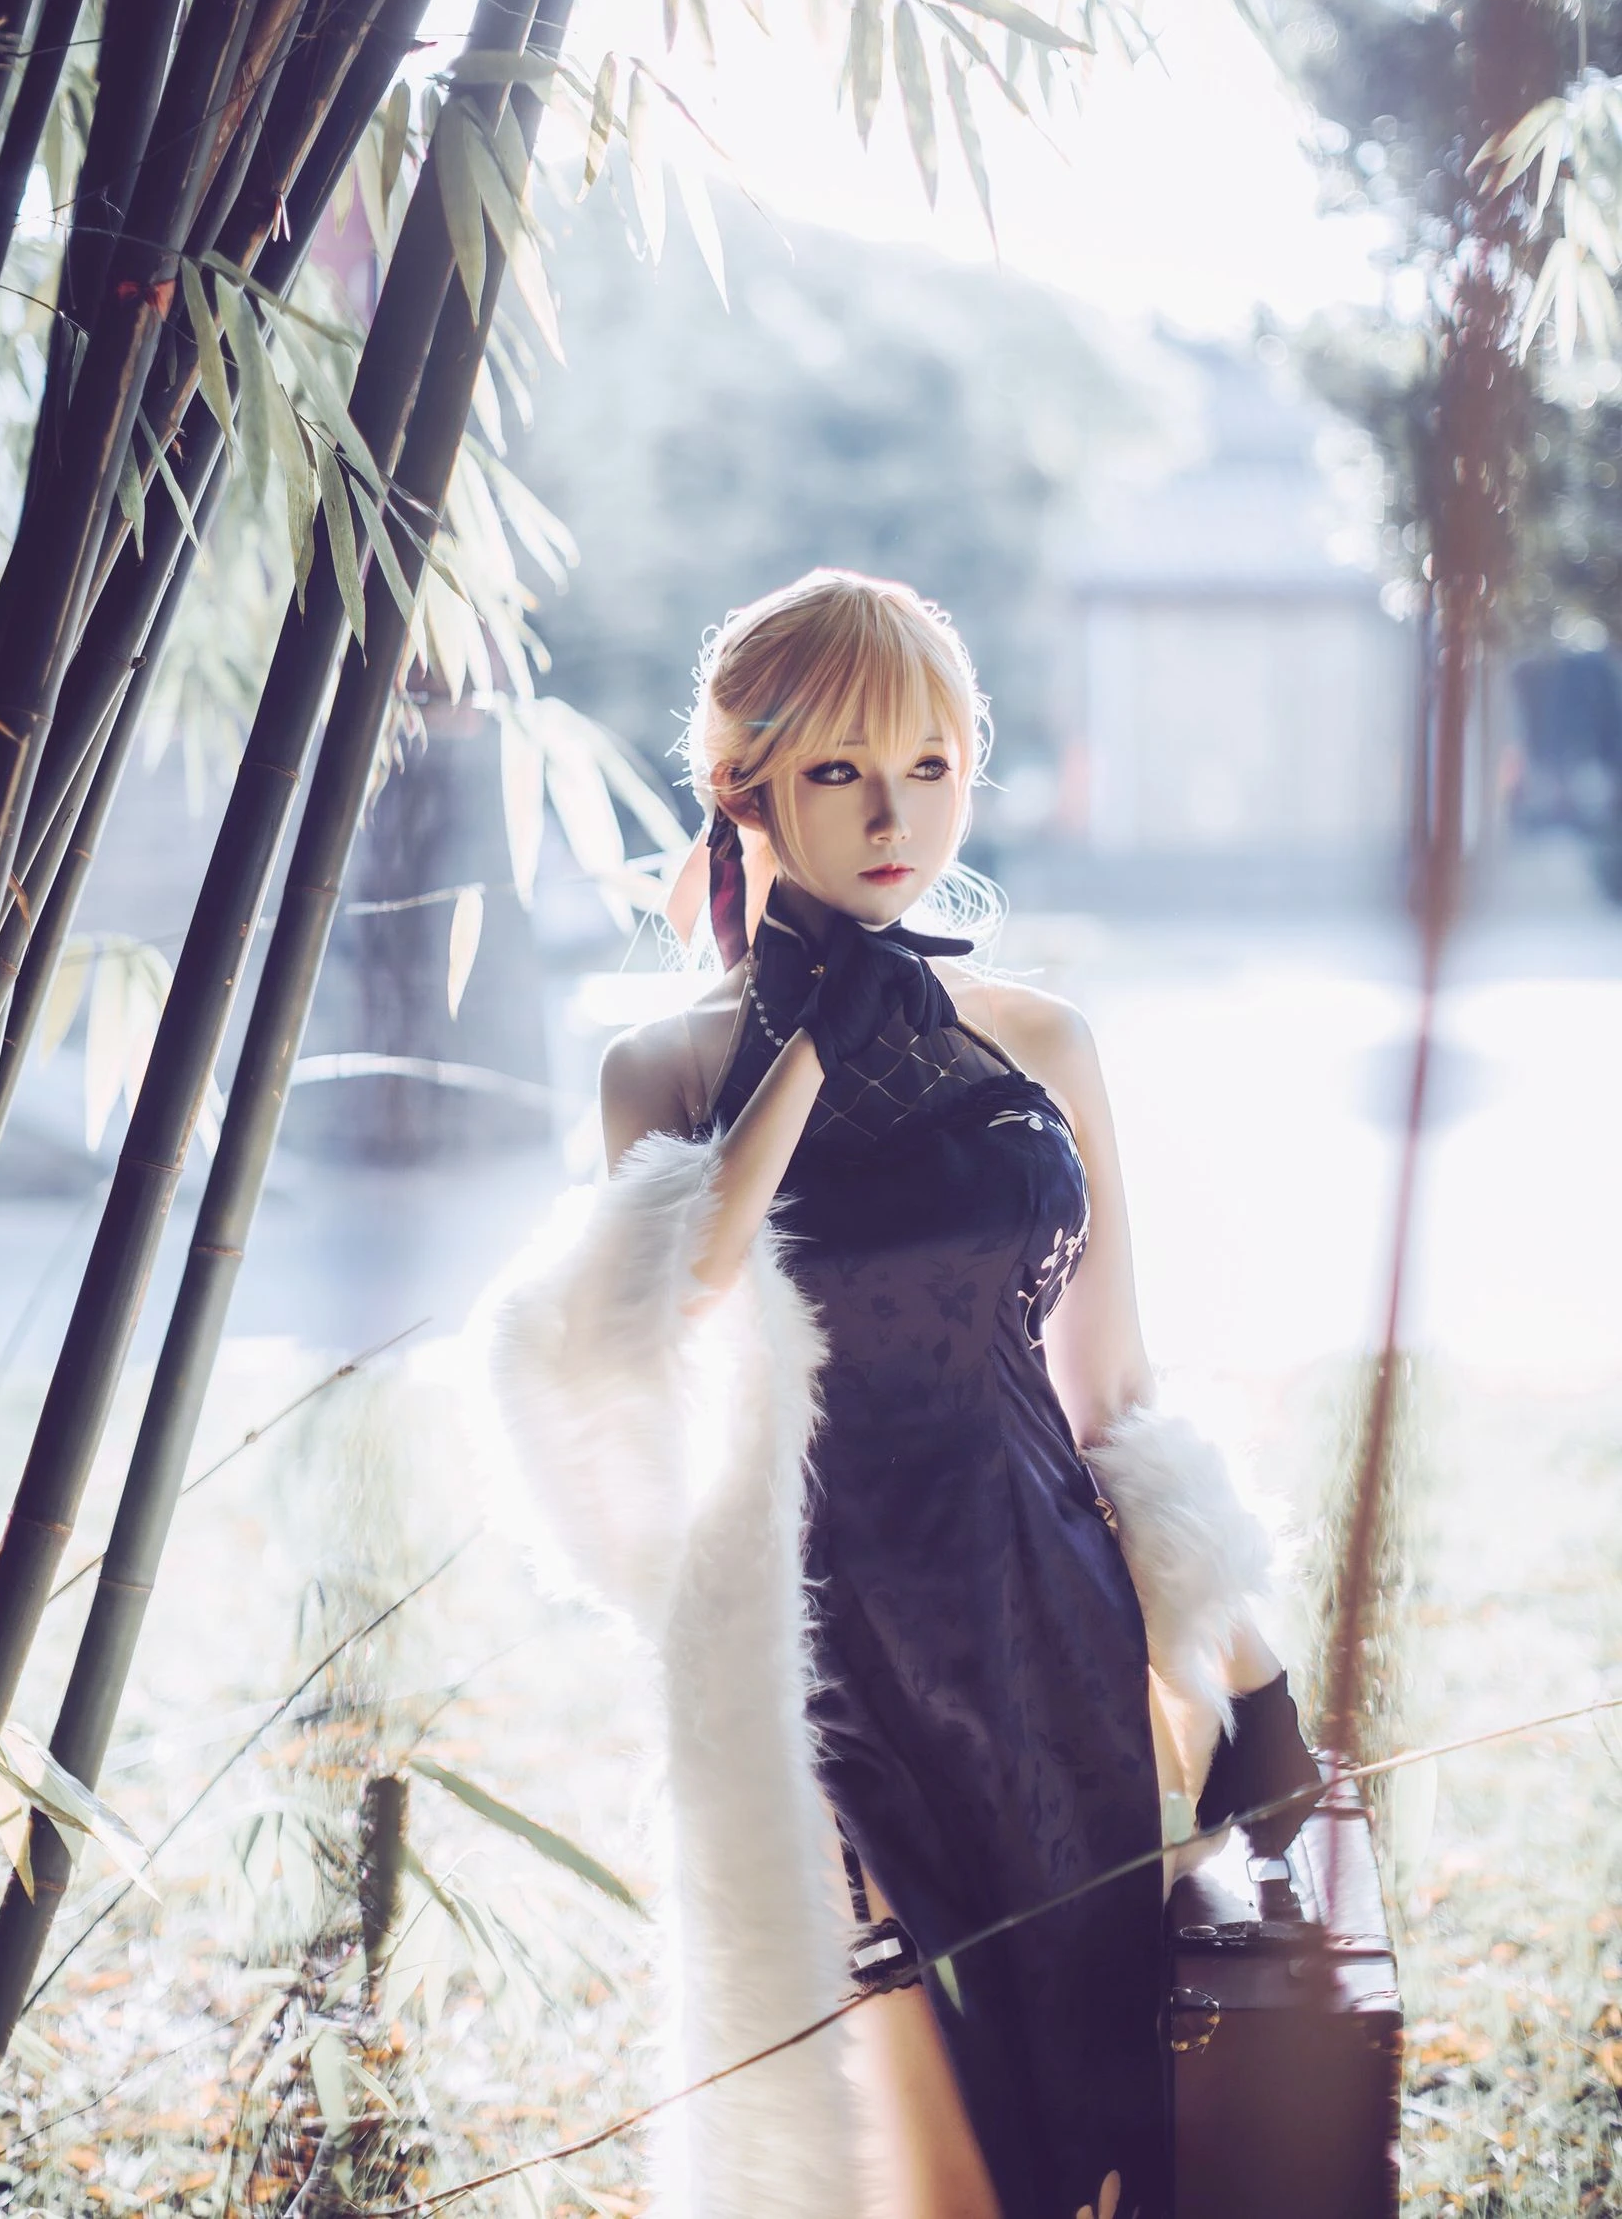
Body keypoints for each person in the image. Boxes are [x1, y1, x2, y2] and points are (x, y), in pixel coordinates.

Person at [483, 569, 1319, 2219]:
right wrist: (809, 1038)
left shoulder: (1040, 1041)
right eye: (841, 771)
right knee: (921, 2154)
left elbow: (1114, 1389)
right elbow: (680, 1300)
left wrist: (1247, 1667)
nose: (895, 817)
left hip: (1046, 1628)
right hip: (823, 1664)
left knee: (1093, 2123)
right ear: (746, 791)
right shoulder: (665, 1070)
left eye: (931, 767)